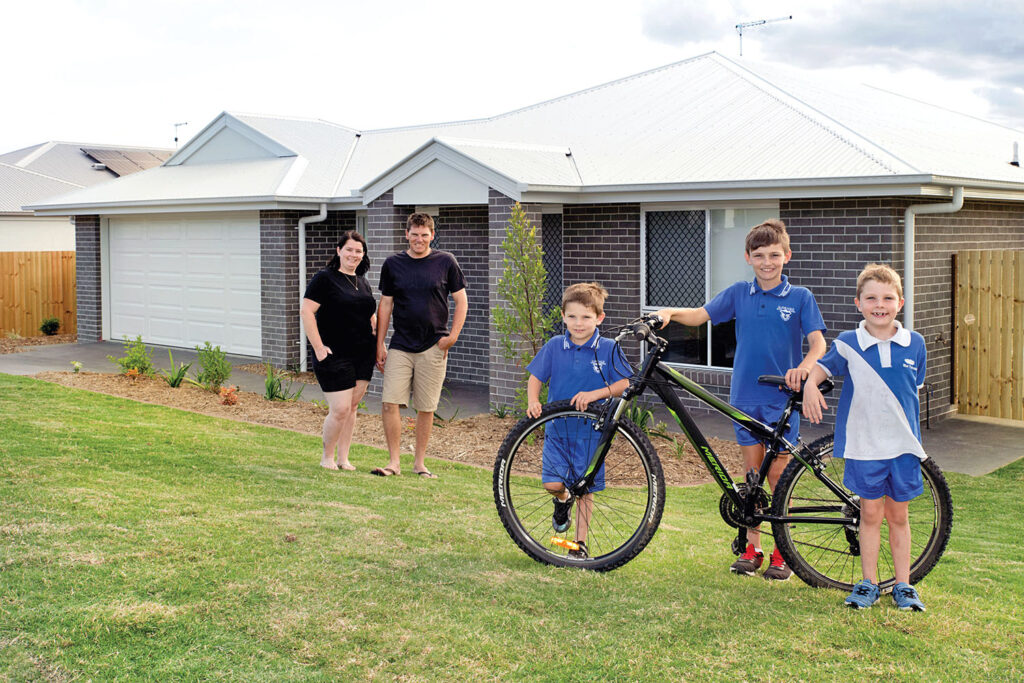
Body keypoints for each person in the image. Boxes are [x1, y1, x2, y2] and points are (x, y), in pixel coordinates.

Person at [654, 218, 826, 580]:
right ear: (748, 258)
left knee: (779, 476)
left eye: (774, 255)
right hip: (744, 397)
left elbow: (818, 343)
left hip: (781, 397)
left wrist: (806, 367)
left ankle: (784, 553)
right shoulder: (738, 294)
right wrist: (669, 311)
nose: (767, 262)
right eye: (760, 255)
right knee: (752, 478)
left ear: (787, 256)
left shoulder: (800, 298)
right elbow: (700, 316)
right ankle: (753, 548)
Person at [803, 264, 928, 611]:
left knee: (899, 517)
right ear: (858, 303)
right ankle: (868, 583)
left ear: (899, 303)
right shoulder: (848, 343)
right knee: (870, 515)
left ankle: (904, 585)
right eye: (871, 297)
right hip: (865, 447)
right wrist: (810, 385)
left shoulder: (914, 344)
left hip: (902, 448)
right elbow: (821, 368)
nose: (880, 304)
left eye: (888, 298)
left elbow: (911, 390)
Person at [526, 282, 632, 559]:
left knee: (585, 490)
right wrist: (533, 401)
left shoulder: (607, 348)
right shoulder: (554, 346)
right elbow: (536, 376)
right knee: (552, 484)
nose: (578, 323)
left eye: (586, 317)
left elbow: (624, 383)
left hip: (591, 434)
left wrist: (595, 394)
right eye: (572, 316)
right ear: (563, 316)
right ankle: (562, 500)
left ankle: (579, 544)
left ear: (599, 318)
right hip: (557, 430)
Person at [372, 213, 468, 479]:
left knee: (426, 407)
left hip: (433, 346)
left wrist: (452, 337)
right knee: (390, 402)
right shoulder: (393, 264)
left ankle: (419, 464)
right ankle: (394, 463)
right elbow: (386, 305)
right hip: (401, 344)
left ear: (432, 235)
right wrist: (380, 344)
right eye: (414, 234)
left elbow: (462, 301)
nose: (419, 239)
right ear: (407, 234)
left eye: (424, 234)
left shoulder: (445, 262)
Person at [301, 230, 376, 472]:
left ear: (362, 255)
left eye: (358, 251)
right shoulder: (325, 278)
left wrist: (379, 344)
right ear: (339, 251)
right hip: (334, 354)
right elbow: (306, 311)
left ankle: (344, 459)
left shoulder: (363, 282)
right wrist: (318, 347)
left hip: (363, 354)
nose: (353, 255)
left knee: (352, 408)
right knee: (340, 408)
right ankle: (327, 457)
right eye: (349, 249)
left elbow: (370, 316)